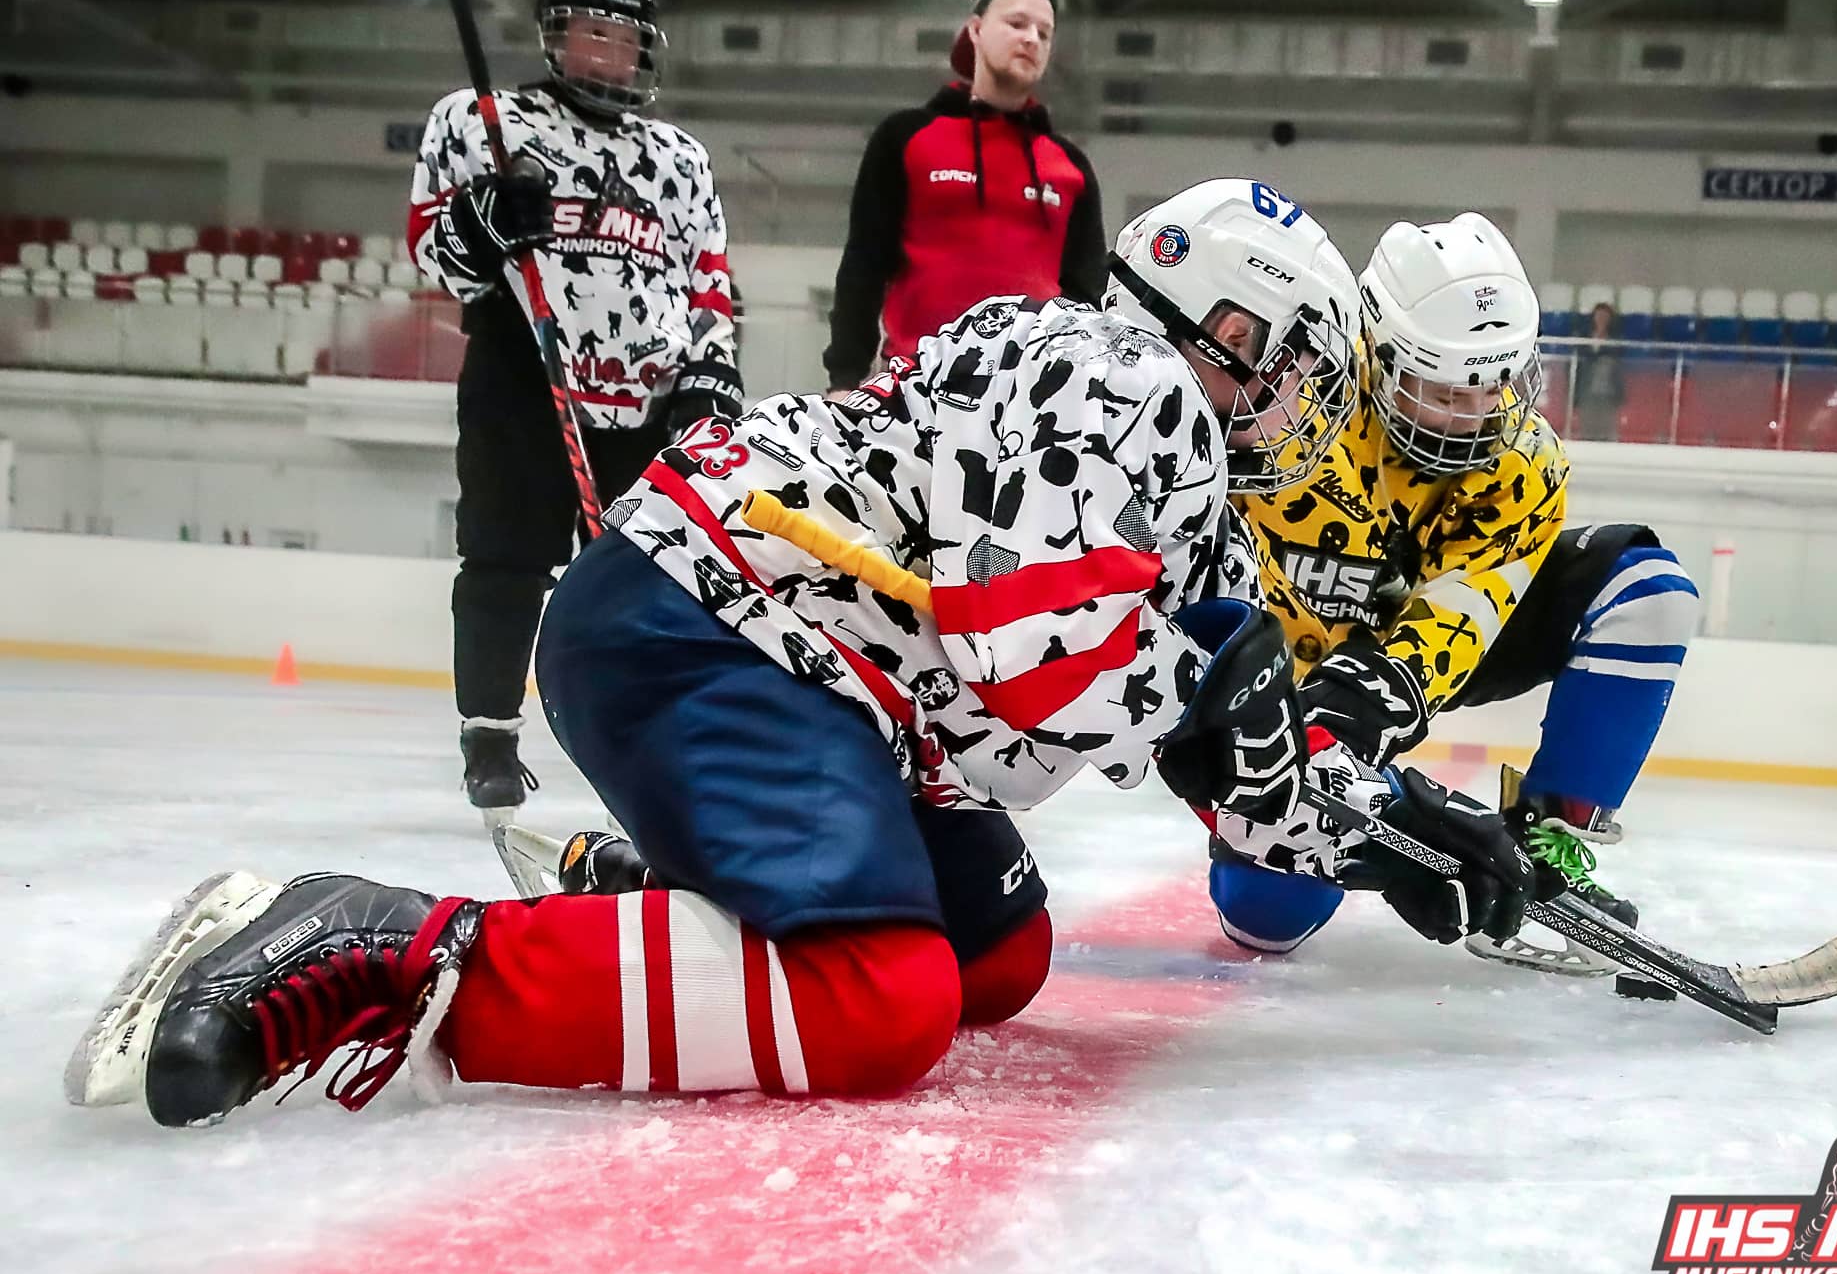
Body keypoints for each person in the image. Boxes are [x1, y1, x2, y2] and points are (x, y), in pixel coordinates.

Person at [67, 181, 1562, 1128]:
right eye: (1299, 357)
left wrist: (1367, 822)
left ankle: (651, 888)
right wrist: (1220, 710)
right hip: (710, 619)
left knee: (998, 952)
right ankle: (379, 938)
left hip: (824, 681)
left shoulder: (1193, 491)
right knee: (880, 999)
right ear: (1222, 330)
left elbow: (1216, 735)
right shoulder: (1110, 369)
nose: (1314, 395)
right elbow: (1031, 644)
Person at [1211, 213, 1700, 974]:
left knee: (1649, 589)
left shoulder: (1526, 463)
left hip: (1418, 655)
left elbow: (1461, 610)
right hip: (1287, 678)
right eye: (1442, 388)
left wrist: (1377, 700)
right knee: (1265, 918)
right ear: (1374, 353)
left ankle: (1549, 841)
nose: (1474, 416)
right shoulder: (1285, 417)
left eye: (1493, 385)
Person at [409, 0, 744, 826]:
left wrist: (710, 378)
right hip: (526, 371)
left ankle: (655, 729)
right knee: (504, 560)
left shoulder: (678, 158)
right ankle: (489, 735)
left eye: (626, 35)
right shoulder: (482, 123)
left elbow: (708, 279)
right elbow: (431, 258)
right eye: (595, 30)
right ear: (555, 35)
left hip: (648, 396)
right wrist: (481, 220)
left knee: (653, 575)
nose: (612, 50)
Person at [821, 0, 1105, 395]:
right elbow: (864, 264)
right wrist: (844, 378)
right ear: (975, 30)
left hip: (1030, 400)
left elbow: (1086, 302)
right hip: (915, 389)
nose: (1031, 39)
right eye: (1016, 24)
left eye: (1044, 34)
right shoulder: (906, 138)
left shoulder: (1071, 167)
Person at [1570, 300, 1625, 441]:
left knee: (1606, 430)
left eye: (1605, 316)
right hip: (1587, 392)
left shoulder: (1615, 341)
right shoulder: (1584, 339)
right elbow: (1578, 366)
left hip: (1608, 393)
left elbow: (1619, 369)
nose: (1601, 319)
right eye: (1599, 315)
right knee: (1587, 429)